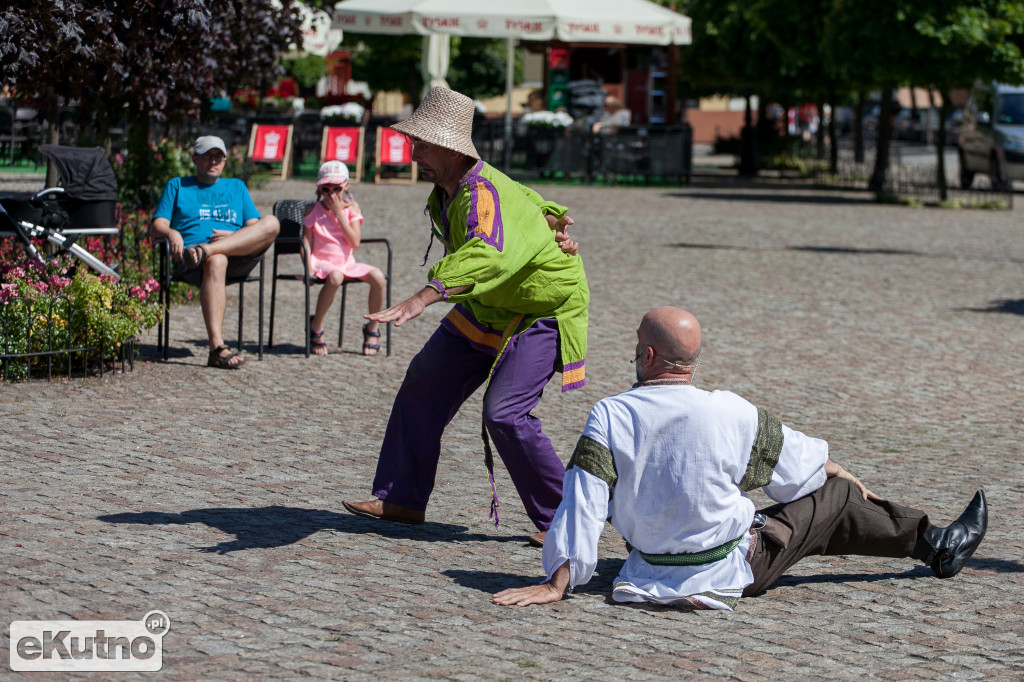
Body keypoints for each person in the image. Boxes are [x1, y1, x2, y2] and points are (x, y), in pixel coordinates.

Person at [493, 307, 988, 609]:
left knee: (815, 508)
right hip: (732, 569)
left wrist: (560, 579)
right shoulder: (729, 411)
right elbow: (800, 476)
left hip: (646, 567)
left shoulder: (610, 414)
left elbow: (583, 498)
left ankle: (937, 545)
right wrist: (835, 469)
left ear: (646, 357)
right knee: (835, 495)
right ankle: (937, 544)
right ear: (692, 361)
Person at [342, 87, 588, 546]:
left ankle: (565, 521)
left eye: (423, 145)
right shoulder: (451, 186)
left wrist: (425, 295)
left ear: (454, 148)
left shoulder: (481, 192)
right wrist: (551, 225)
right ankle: (401, 498)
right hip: (487, 304)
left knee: (505, 414)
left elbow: (488, 253)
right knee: (424, 381)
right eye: (413, 143)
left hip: (541, 309)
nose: (414, 154)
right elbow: (530, 205)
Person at [150, 136, 280, 368]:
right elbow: (156, 225)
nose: (214, 161)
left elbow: (254, 227)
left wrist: (233, 237)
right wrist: (172, 233)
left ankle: (207, 250)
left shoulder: (236, 186)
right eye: (208, 156)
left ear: (225, 160)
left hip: (238, 256)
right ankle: (217, 347)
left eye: (218, 156)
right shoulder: (178, 185)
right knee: (217, 260)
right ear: (195, 159)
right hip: (191, 262)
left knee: (271, 222)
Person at [303, 161, 386, 356]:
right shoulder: (312, 209)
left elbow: (355, 242)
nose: (331, 193)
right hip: (321, 261)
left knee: (378, 277)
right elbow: (305, 241)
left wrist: (340, 214)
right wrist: (308, 266)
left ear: (346, 186)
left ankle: (372, 327)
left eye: (336, 188)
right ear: (319, 188)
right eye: (326, 188)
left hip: (347, 262)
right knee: (335, 276)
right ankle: (316, 327)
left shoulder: (352, 207)